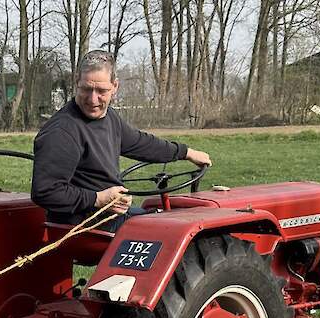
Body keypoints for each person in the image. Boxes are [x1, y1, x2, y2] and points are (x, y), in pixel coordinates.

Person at [31, 50, 211, 232]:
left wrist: (186, 152)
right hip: (85, 225)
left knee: (165, 216)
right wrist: (98, 199)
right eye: (86, 89)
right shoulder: (62, 131)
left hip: (110, 215)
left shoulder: (109, 117)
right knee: (174, 230)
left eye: (101, 91)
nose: (93, 99)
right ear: (77, 82)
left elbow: (142, 143)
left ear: (114, 86)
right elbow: (46, 192)